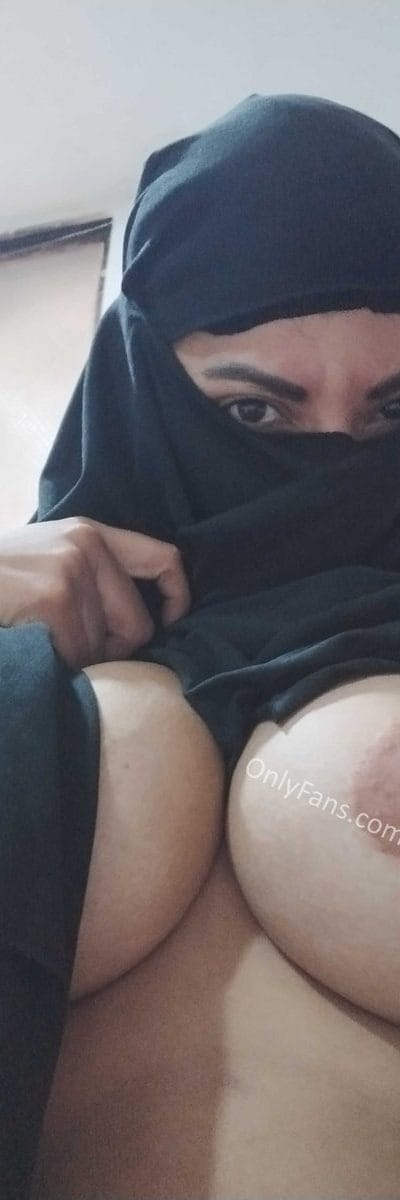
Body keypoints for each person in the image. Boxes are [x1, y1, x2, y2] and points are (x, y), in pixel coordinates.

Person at [2, 92, 400, 1197]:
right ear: (140, 385)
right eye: (255, 415)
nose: (330, 461)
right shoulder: (22, 640)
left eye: (391, 414)